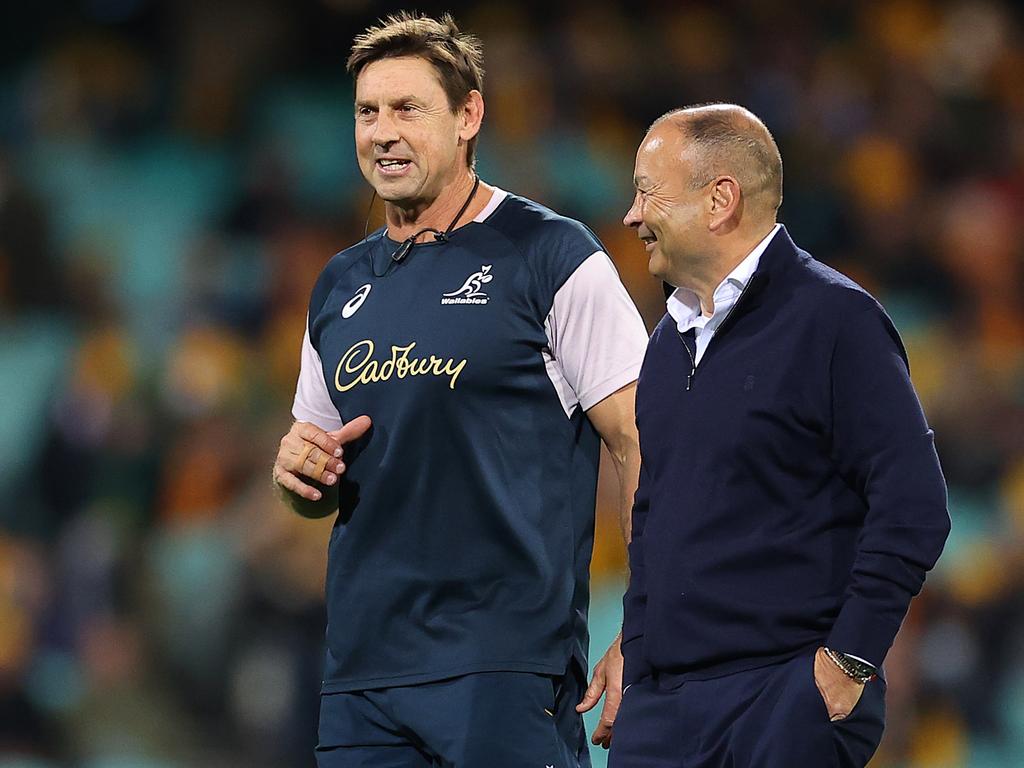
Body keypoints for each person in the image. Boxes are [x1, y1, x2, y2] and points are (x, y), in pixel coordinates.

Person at [270, 12, 649, 767]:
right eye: (367, 112)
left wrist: (648, 625)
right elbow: (317, 474)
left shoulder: (551, 254)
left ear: (468, 115)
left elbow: (642, 440)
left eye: (407, 109)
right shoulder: (340, 284)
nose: (382, 131)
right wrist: (299, 479)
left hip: (504, 665)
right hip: (362, 675)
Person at [610, 104, 950, 768]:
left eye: (647, 191)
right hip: (665, 714)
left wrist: (847, 662)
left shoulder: (836, 321)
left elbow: (913, 504)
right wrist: (640, 657)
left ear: (719, 201)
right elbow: (652, 519)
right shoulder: (665, 345)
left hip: (783, 699)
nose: (631, 214)